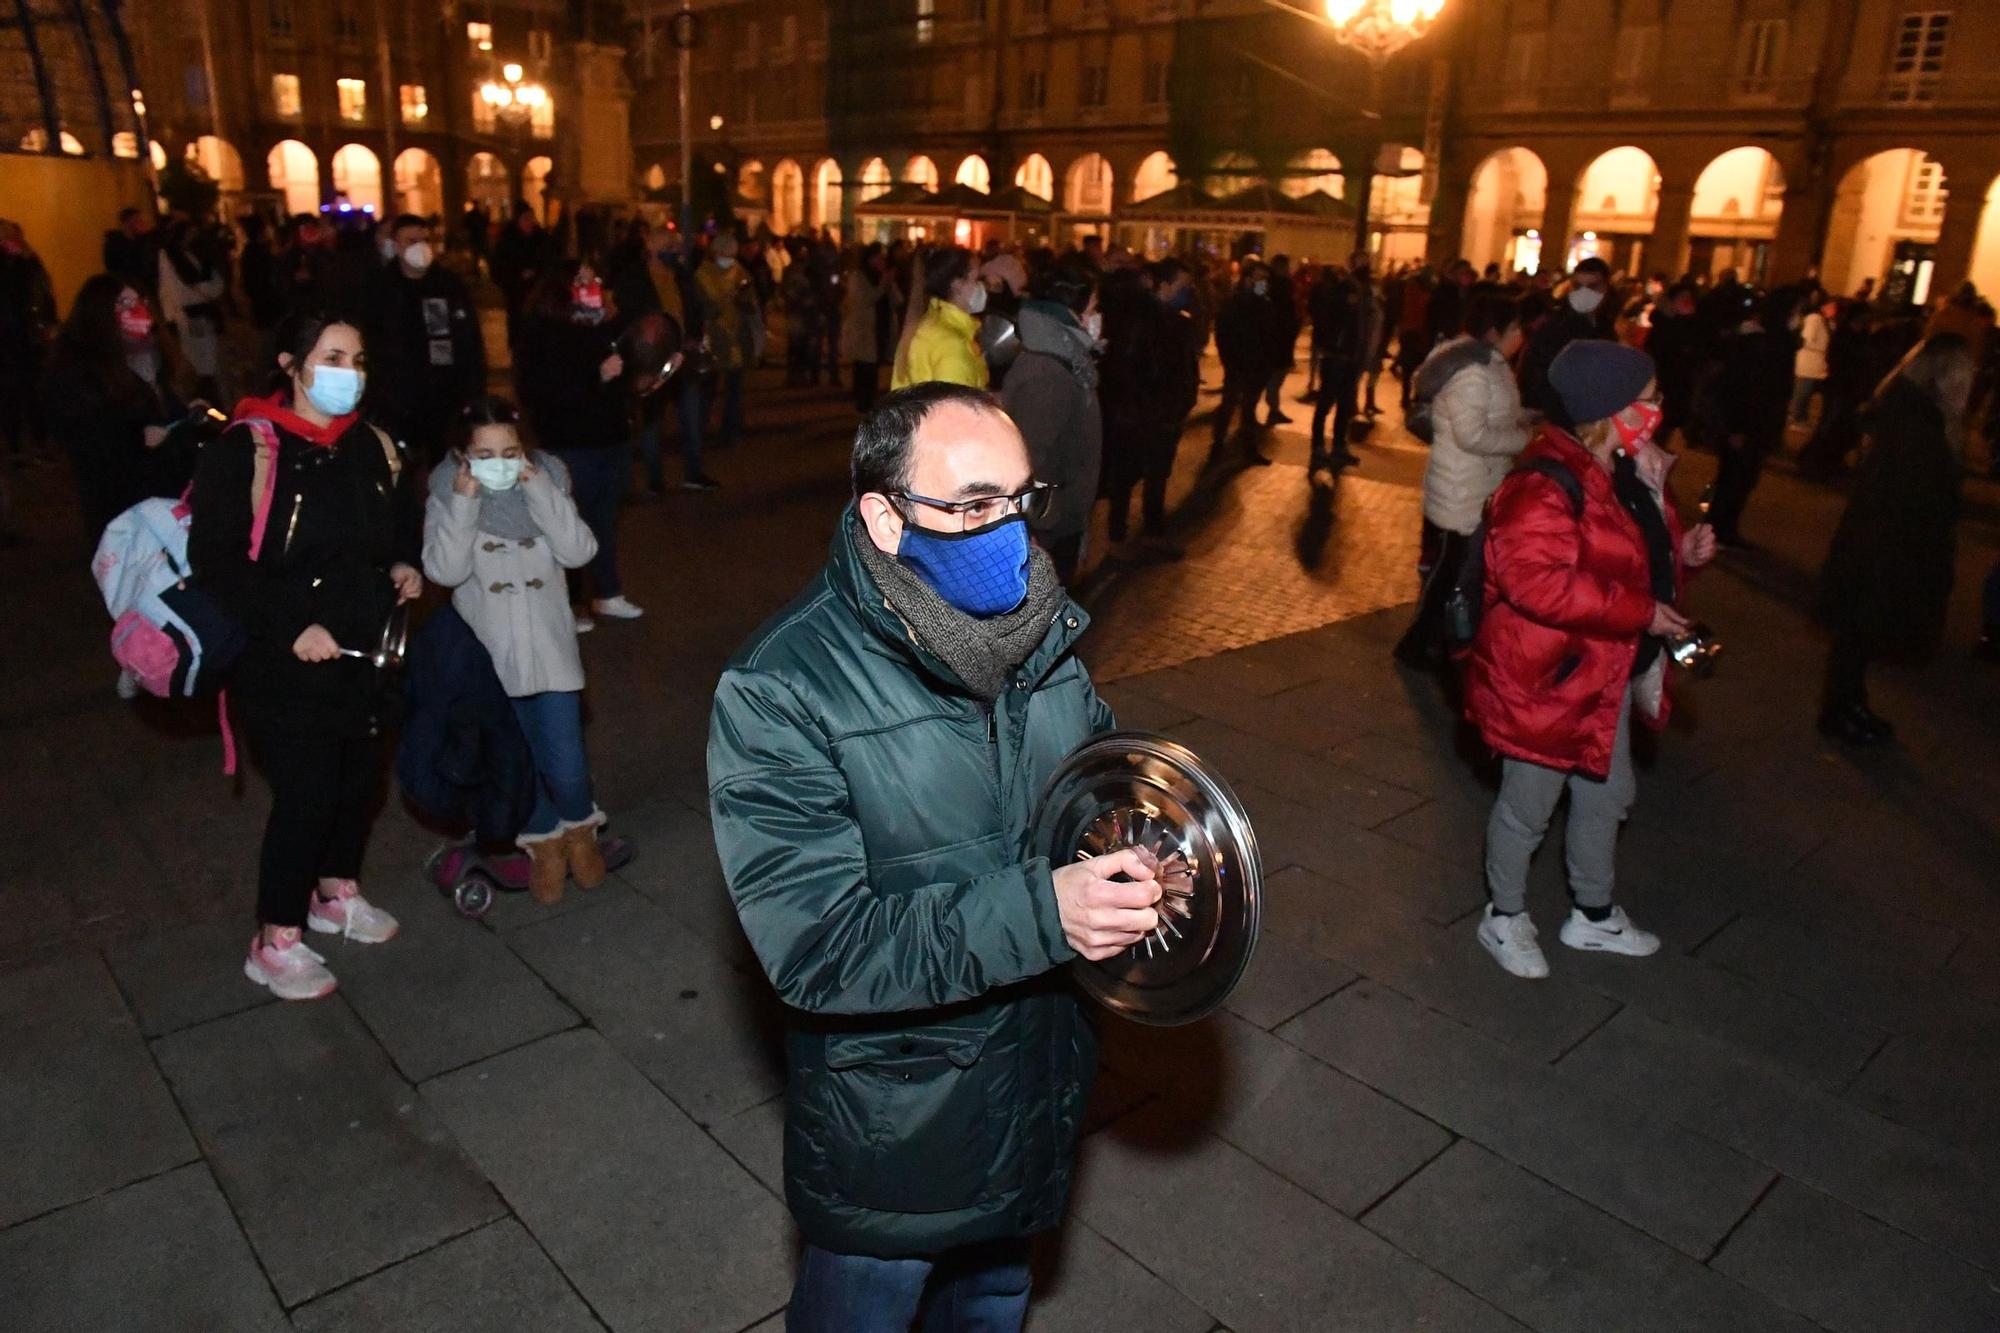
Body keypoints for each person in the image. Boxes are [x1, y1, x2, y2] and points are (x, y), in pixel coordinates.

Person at [708, 381, 1158, 1333]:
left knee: (995, 1300)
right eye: (972, 505)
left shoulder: (1045, 636)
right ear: (882, 516)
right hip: (898, 1123)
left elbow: (1092, 786)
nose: (1008, 531)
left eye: (1021, 499)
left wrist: (1143, 850)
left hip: (1036, 1079)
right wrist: (1048, 913)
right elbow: (818, 947)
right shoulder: (780, 688)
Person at [1462, 340, 1715, 979]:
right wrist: (1642, 612)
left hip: (1598, 676)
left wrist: (1680, 551)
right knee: (1528, 809)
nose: (1660, 409)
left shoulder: (1619, 468)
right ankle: (1505, 916)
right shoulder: (1543, 482)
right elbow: (1536, 583)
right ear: (1614, 409)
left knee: (1608, 797)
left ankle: (1593, 916)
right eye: (1650, 399)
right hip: (1545, 680)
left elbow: (1624, 559)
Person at [188, 309, 420, 1001]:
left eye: (357, 359)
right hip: (282, 659)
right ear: (291, 364)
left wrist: (404, 562)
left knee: (359, 783)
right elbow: (217, 560)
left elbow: (401, 518)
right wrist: (289, 624)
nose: (348, 372)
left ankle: (334, 891)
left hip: (362, 650)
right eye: (332, 356)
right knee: (307, 793)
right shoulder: (246, 449)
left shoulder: (373, 445)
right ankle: (276, 936)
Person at [423, 395, 611, 900]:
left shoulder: (547, 481)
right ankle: (545, 845)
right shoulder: (445, 494)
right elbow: (444, 571)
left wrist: (540, 488)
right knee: (518, 762)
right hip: (493, 662)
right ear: (463, 458)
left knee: (567, 762)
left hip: (552, 655)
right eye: (485, 454)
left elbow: (579, 550)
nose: (500, 464)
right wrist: (463, 504)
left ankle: (580, 831)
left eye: (510, 452)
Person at [1815, 334, 1974, 745]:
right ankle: (1839, 710)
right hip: (1882, 551)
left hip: (1884, 546)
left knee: (1860, 637)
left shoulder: (1914, 417)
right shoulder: (1914, 427)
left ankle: (1849, 703)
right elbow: (1900, 498)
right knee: (1858, 633)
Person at [1393, 294, 1532, 669]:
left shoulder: (1489, 363)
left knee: (1455, 570)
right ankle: (1421, 644)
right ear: (1495, 332)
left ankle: (1436, 640)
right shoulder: (1472, 371)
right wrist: (1523, 440)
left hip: (1475, 483)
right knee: (1450, 572)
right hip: (1463, 487)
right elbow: (1472, 435)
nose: (1522, 334)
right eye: (1516, 328)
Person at [513, 258, 643, 628]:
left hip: (610, 437)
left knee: (603, 520)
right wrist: (595, 376)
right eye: (582, 279)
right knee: (565, 524)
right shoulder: (545, 330)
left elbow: (627, 371)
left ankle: (607, 593)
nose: (591, 285)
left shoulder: (606, 325)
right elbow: (541, 390)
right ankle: (567, 603)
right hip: (569, 442)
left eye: (594, 278)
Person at [41, 274, 193, 547]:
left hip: (169, 498)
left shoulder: (154, 355)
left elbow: (166, 413)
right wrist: (136, 440)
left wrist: (186, 417)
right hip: (123, 507)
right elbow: (85, 440)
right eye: (124, 303)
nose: (136, 310)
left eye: (139, 301)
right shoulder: (78, 371)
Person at [1000, 259, 1102, 582]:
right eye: (1094, 306)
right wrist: (1040, 526)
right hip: (1048, 532)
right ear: (1074, 312)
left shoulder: (1064, 359)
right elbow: (1029, 460)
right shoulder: (1047, 373)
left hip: (1058, 521)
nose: (1098, 317)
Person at [364, 214, 486, 466]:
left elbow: (469, 340)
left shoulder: (449, 286)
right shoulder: (380, 290)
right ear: (396, 245)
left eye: (424, 240)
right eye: (411, 240)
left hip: (445, 399)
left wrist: (472, 392)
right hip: (398, 402)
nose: (420, 246)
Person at [1708, 292, 1794, 549]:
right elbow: (1739, 388)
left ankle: (1728, 527)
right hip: (1743, 424)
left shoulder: (1775, 343)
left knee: (1744, 479)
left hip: (1758, 425)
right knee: (1731, 479)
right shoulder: (1753, 345)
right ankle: (1715, 528)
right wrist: (1735, 427)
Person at [1517, 257, 1613, 420]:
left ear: (1605, 287)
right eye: (1578, 286)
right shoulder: (1556, 325)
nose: (1584, 293)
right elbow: (1535, 370)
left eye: (1592, 287)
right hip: (1559, 413)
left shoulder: (1605, 325)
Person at [891, 246, 989, 390]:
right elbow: (957, 408)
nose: (983, 286)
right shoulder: (951, 343)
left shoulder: (930, 323)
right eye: (977, 278)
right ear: (957, 284)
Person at [0, 218, 56, 466]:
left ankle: (40, 443)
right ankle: (14, 446)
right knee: (10, 393)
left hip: (28, 335)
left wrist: (48, 321)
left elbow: (42, 291)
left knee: (33, 390)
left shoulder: (28, 260)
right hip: (6, 338)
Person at [1308, 255, 1370, 475]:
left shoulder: (1360, 292)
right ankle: (1317, 446)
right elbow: (1327, 319)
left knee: (1344, 404)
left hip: (1349, 356)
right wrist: (1333, 345)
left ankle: (1338, 445)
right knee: (1326, 402)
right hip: (1337, 356)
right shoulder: (1339, 291)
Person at [156, 218, 228, 404]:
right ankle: (207, 399)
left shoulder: (188, 254)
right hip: (192, 314)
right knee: (201, 357)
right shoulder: (171, 256)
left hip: (199, 312)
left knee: (207, 355)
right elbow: (175, 289)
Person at [1212, 262, 1276, 464]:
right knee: (1229, 406)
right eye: (1259, 279)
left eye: (1265, 279)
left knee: (1249, 409)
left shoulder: (1264, 303)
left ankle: (1248, 449)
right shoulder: (1235, 302)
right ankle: (1217, 447)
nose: (1263, 283)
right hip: (1238, 364)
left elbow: (1269, 335)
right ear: (1248, 279)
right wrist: (1230, 361)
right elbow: (1223, 334)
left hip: (1257, 366)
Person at [696, 233, 754, 451]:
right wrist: (723, 302)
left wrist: (743, 300)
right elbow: (701, 309)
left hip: (736, 339)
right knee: (708, 388)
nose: (728, 259)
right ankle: (699, 430)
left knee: (734, 389)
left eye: (732, 255)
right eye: (724, 254)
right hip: (713, 338)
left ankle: (731, 430)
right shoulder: (703, 276)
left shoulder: (741, 273)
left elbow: (751, 305)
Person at [841, 243, 894, 414]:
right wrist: (883, 285)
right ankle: (864, 401)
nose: (882, 261)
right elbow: (866, 300)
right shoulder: (859, 277)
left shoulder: (880, 275)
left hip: (879, 325)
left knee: (871, 363)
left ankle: (867, 399)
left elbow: (897, 300)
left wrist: (889, 283)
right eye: (879, 257)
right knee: (865, 365)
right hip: (864, 326)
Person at [492, 203, 548, 344]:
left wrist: (538, 273)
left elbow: (549, 261)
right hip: (517, 294)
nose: (530, 222)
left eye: (531, 218)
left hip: (540, 293)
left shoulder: (542, 239)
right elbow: (499, 270)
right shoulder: (506, 242)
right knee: (519, 330)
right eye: (525, 219)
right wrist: (517, 277)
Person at [1260, 254, 1299, 427]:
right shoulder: (1280, 285)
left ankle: (1272, 408)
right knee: (1274, 376)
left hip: (1275, 337)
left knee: (1273, 375)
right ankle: (1272, 408)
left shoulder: (1265, 283)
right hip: (1277, 338)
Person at [1791, 295, 1833, 427]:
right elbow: (1808, 339)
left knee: (1808, 390)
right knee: (1804, 390)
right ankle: (1797, 417)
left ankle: (1801, 416)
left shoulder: (1825, 321)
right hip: (1810, 359)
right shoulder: (1814, 319)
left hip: (1816, 359)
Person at [102, 207, 155, 296]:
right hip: (130, 289)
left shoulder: (143, 240)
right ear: (128, 223)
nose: (143, 223)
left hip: (144, 287)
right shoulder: (115, 244)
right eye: (138, 220)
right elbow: (121, 268)